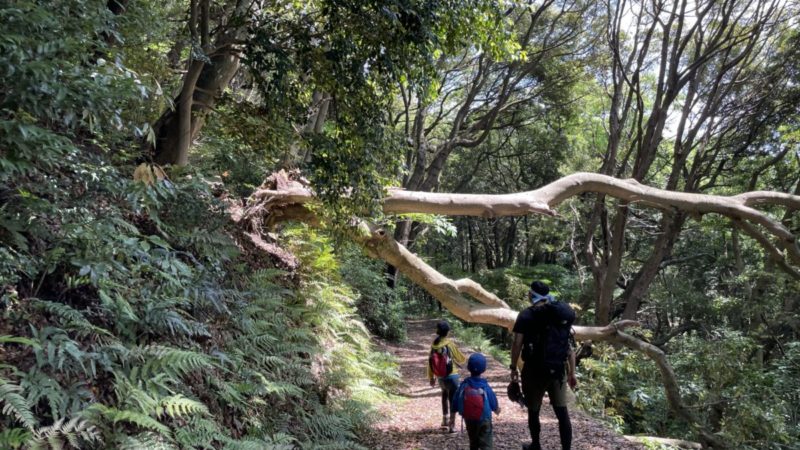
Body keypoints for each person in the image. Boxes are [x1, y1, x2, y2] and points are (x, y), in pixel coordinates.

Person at [510, 281, 577, 450]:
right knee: (562, 412)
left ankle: (536, 445)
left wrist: (513, 368)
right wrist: (572, 373)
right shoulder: (559, 314)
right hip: (558, 370)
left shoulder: (526, 315)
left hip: (534, 370)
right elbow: (569, 347)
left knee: (533, 410)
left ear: (532, 295)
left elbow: (517, 344)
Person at [454, 353, 501, 450]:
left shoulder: (464, 385)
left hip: (469, 417)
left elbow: (456, 398)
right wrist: (496, 409)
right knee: (486, 443)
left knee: (473, 441)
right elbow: (492, 399)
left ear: (468, 367)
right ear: (484, 369)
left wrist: (453, 412)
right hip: (484, 418)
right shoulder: (484, 386)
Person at [427, 320, 467, 433]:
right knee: (453, 399)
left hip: (440, 376)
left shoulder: (434, 345)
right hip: (452, 376)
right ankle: (452, 425)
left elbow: (429, 362)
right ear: (447, 332)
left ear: (438, 331)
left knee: (444, 395)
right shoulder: (449, 344)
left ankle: (445, 420)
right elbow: (461, 358)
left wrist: (431, 377)